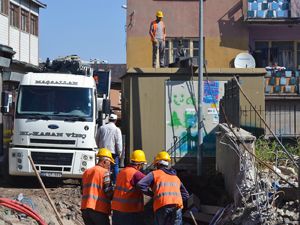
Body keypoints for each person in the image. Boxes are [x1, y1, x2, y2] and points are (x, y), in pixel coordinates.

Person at [137, 151, 189, 225]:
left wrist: (152, 194)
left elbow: (140, 184)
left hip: (162, 206)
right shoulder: (175, 177)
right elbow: (186, 195)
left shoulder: (155, 174)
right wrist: (176, 200)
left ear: (157, 164)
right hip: (177, 207)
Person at [111, 149, 147, 225]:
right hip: (129, 211)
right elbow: (149, 181)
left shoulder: (122, 172)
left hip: (116, 210)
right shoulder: (136, 174)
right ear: (139, 164)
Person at [81, 148, 115, 225]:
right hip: (98, 209)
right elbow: (108, 192)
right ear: (104, 161)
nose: (110, 165)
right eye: (109, 163)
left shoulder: (86, 172)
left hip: (85, 209)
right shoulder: (105, 172)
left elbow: (82, 191)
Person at [96, 113, 123, 183]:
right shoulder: (117, 129)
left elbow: (97, 139)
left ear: (109, 119)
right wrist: (120, 152)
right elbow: (119, 142)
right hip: (113, 152)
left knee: (102, 167)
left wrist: (99, 147)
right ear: (116, 120)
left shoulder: (102, 128)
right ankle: (115, 182)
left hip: (103, 152)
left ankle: (102, 181)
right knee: (115, 167)